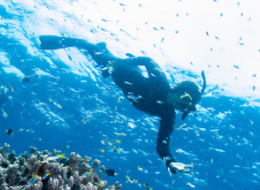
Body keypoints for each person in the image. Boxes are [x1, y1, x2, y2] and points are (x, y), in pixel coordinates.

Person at [39, 35, 205, 174]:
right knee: (94, 52)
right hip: (123, 70)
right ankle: (69, 42)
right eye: (184, 99)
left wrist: (170, 162)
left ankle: (103, 47)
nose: (180, 105)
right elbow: (148, 60)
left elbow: (162, 146)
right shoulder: (162, 82)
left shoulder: (169, 116)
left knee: (100, 54)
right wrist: (119, 62)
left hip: (126, 86)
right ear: (179, 90)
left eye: (186, 107)